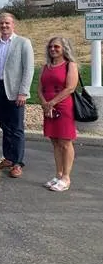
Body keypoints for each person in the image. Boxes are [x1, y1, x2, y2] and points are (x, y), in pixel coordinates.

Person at [0, 13, 35, 178]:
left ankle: (17, 163)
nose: (4, 26)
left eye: (7, 23)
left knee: (16, 128)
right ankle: (8, 158)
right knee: (4, 126)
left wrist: (23, 91)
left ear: (13, 24)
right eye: (1, 23)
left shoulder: (23, 43)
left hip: (15, 91)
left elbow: (28, 69)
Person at [37, 36, 78, 192]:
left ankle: (66, 177)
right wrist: (44, 103)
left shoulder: (70, 65)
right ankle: (58, 174)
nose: (52, 49)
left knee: (65, 142)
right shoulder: (46, 66)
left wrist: (52, 103)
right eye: (50, 47)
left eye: (56, 47)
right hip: (49, 108)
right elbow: (40, 88)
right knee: (54, 141)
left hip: (62, 106)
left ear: (64, 49)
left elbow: (70, 88)